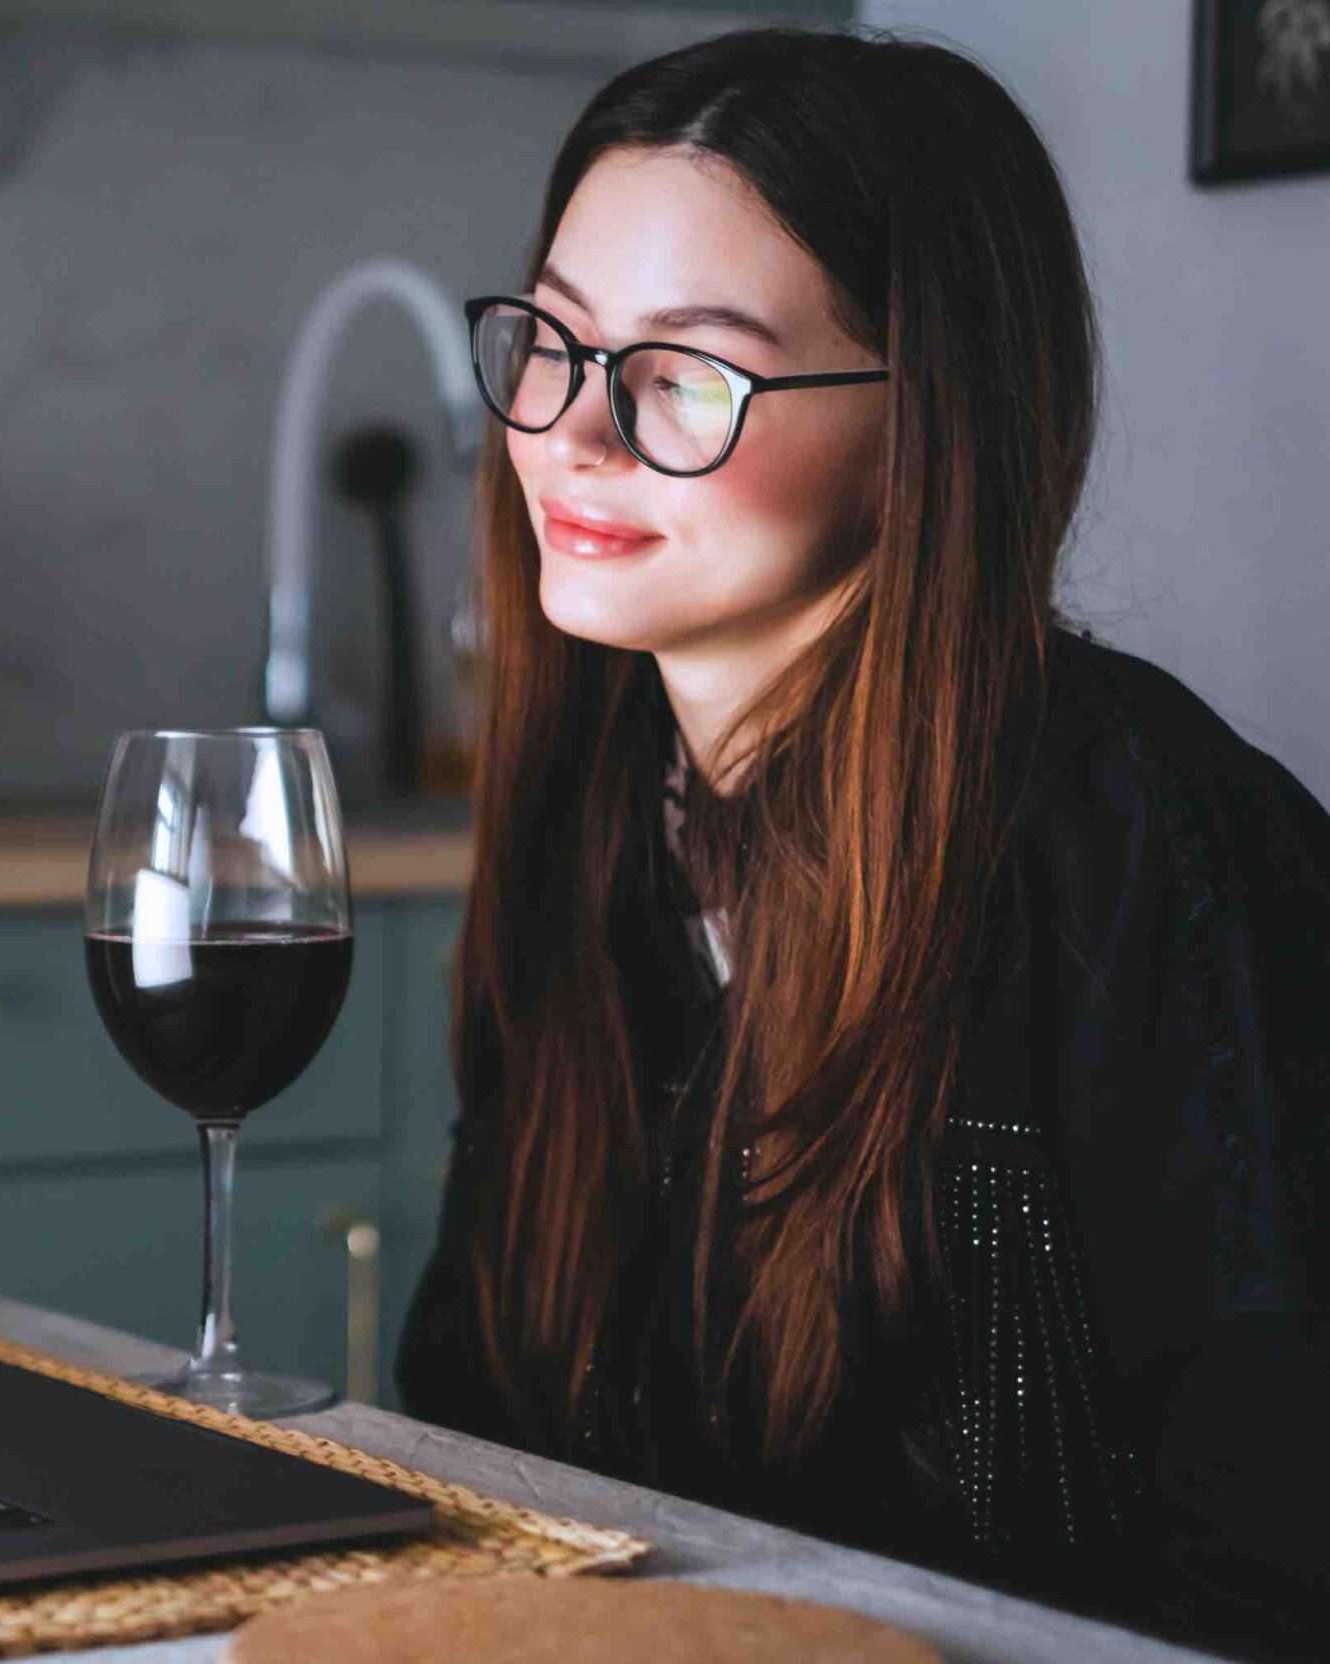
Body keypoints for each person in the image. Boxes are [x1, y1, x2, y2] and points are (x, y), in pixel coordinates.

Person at [394, 26, 1329, 1662]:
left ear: (928, 419)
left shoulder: (1143, 845)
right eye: (555, 337)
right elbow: (474, 1414)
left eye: (687, 371)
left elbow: (1274, 1555)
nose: (576, 436)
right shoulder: (599, 802)